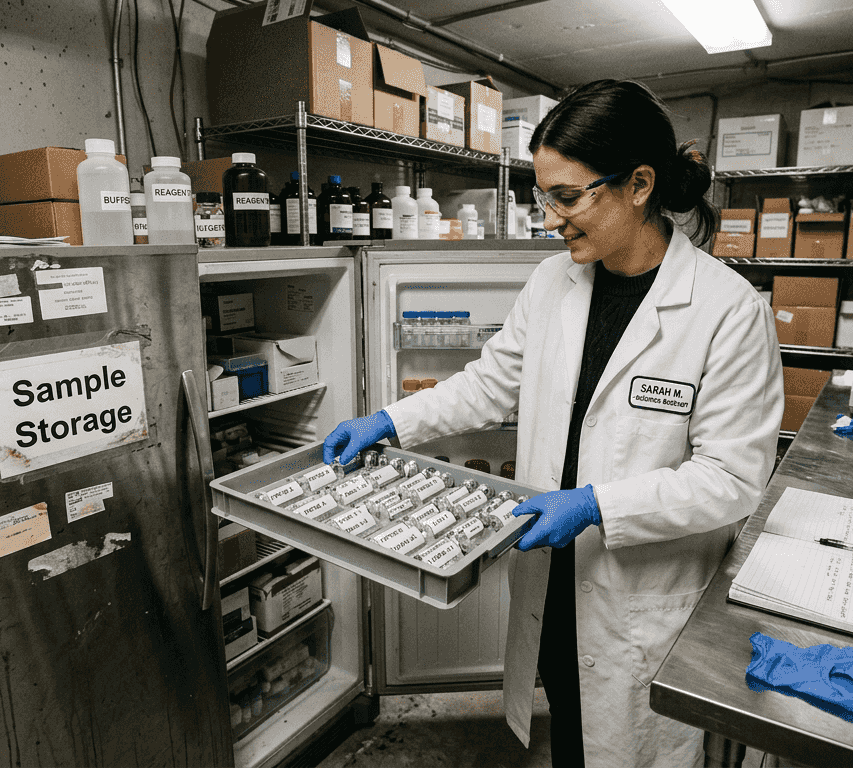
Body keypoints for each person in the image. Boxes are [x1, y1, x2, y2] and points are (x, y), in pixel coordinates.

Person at [323, 79, 783, 768]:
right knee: (571, 724)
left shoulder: (728, 311)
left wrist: (595, 504)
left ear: (638, 185)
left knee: (631, 748)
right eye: (544, 198)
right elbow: (488, 385)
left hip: (641, 594)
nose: (551, 219)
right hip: (553, 577)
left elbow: (731, 480)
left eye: (566, 198)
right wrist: (390, 420)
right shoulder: (551, 283)